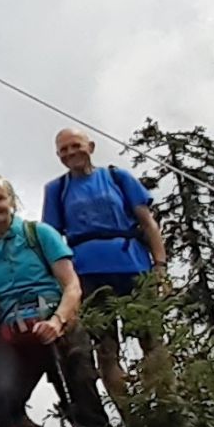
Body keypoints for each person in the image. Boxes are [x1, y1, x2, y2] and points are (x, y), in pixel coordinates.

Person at [0, 174, 110, 427]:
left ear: (11, 201)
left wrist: (57, 322)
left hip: (56, 319)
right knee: (0, 391)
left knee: (80, 386)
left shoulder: (39, 233)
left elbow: (72, 285)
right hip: (12, 328)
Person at [41, 128, 168, 405]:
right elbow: (50, 238)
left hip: (132, 265)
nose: (70, 153)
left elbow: (147, 223)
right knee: (106, 347)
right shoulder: (56, 189)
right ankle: (130, 414)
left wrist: (160, 266)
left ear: (91, 146)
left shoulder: (116, 177)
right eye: (63, 150)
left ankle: (165, 404)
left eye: (75, 146)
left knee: (151, 339)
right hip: (87, 273)